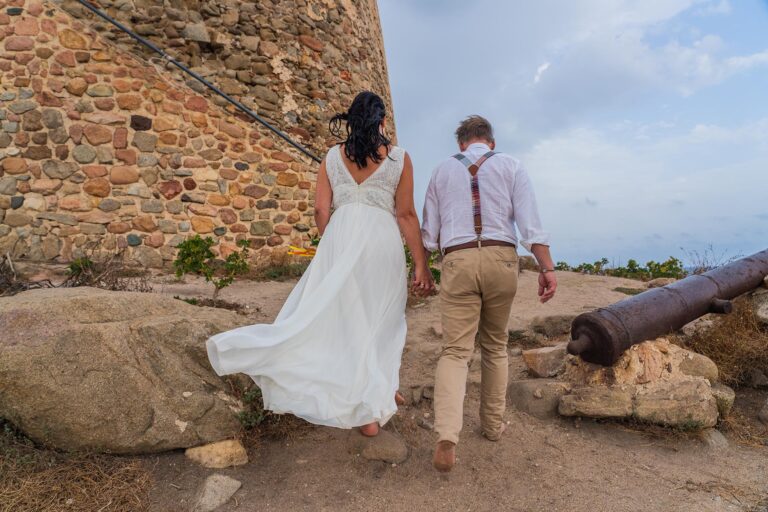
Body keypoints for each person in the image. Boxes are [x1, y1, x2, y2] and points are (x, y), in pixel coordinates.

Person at [207, 91, 434, 437]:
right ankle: (369, 406)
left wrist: (331, 241)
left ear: (351, 120)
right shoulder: (399, 158)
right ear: (383, 121)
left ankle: (379, 391)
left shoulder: (331, 157)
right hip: (381, 241)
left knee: (346, 316)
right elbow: (405, 214)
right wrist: (420, 263)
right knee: (382, 317)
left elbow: (319, 209)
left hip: (339, 237)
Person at [421, 115, 557, 471]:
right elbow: (530, 226)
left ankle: (447, 434)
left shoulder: (441, 171)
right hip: (501, 258)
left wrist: (425, 267)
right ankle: (493, 426)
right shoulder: (511, 166)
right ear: (490, 142)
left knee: (455, 351)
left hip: (458, 259)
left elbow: (429, 234)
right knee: (495, 346)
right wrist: (547, 269)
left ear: (461, 143)